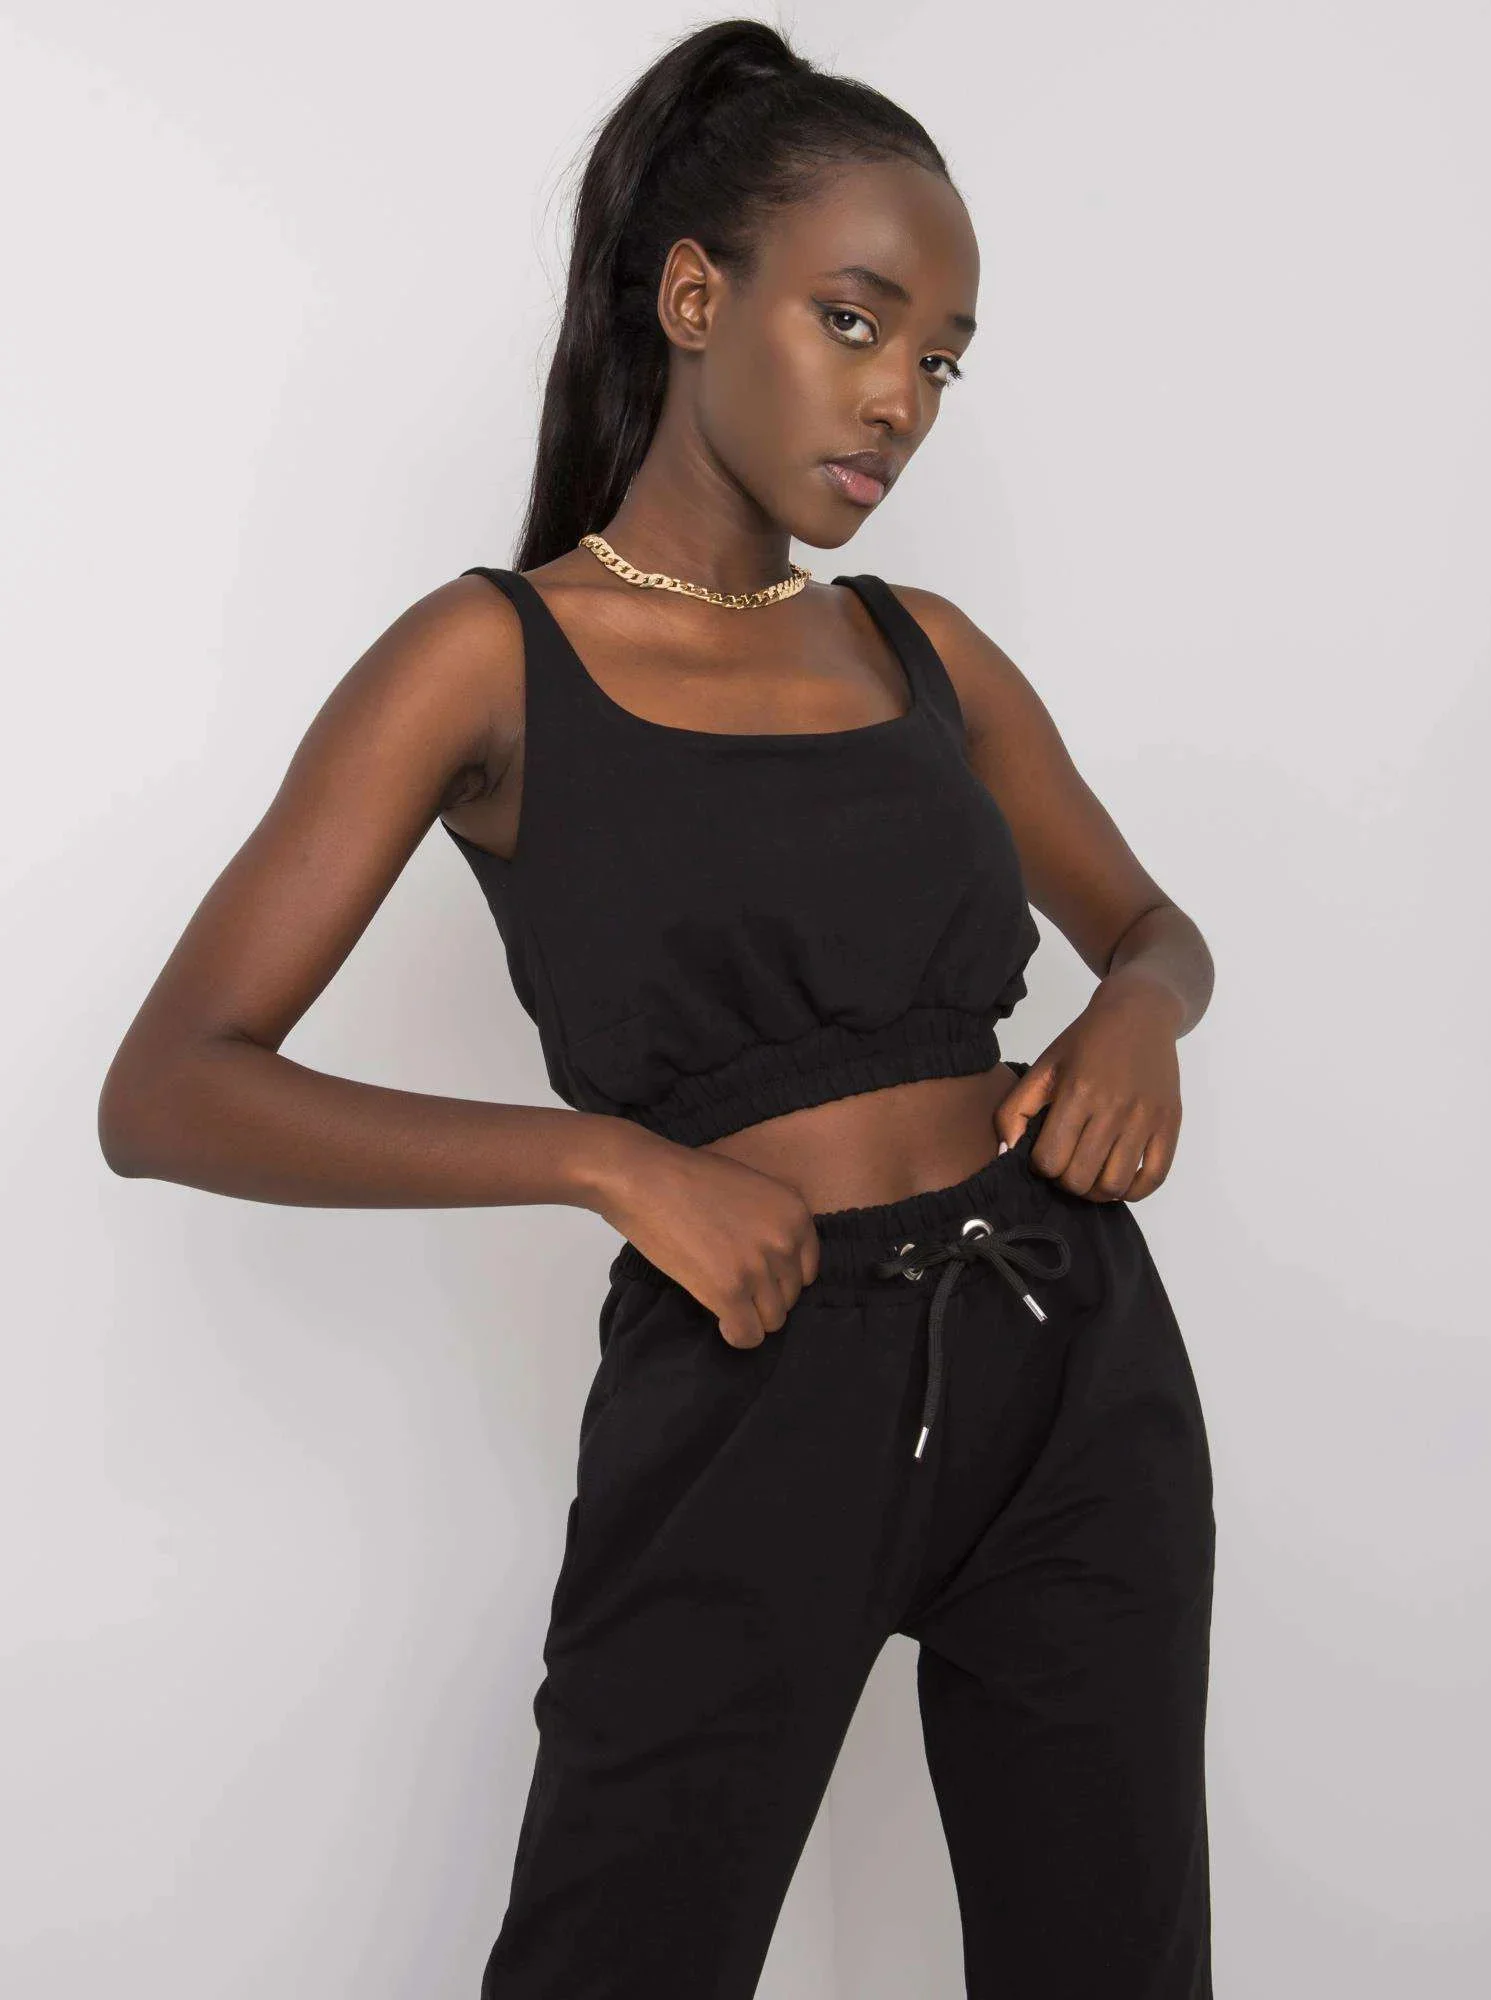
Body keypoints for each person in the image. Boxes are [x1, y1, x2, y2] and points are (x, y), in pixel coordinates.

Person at [98, 17, 1217, 1997]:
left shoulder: (921, 649)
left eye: (941, 360)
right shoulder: (484, 659)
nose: (901, 398)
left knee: (1111, 1963)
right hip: (757, 1369)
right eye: (855, 321)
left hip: (1071, 1354)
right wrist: (610, 1163)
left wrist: (1138, 1010)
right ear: (696, 297)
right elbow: (171, 1088)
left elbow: (1150, 924)